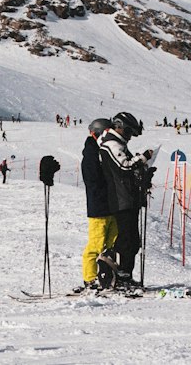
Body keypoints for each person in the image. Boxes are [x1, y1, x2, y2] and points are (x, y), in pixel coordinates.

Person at [98, 112, 154, 285]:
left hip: (128, 198)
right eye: (128, 132)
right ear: (119, 126)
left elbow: (129, 171)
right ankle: (117, 273)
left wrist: (144, 174)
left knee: (132, 240)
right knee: (127, 239)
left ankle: (124, 275)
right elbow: (124, 167)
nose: (130, 137)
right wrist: (143, 158)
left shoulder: (119, 144)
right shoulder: (111, 145)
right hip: (121, 199)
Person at [81, 117, 118, 290]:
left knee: (110, 243)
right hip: (99, 207)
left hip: (110, 206)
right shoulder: (91, 154)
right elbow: (93, 181)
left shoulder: (101, 151)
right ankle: (89, 278)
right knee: (96, 244)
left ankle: (106, 276)